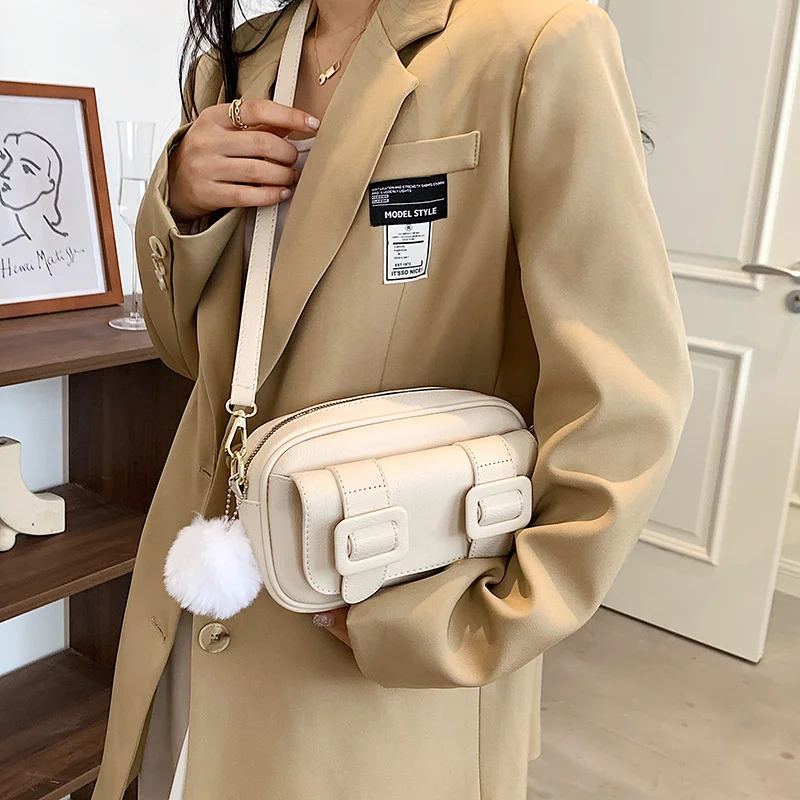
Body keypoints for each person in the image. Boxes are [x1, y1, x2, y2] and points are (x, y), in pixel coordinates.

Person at [92, 0, 693, 798]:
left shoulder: (537, 40)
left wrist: (482, 619)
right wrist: (182, 202)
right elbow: (189, 356)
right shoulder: (238, 63)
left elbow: (624, 396)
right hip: (198, 594)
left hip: (377, 616)